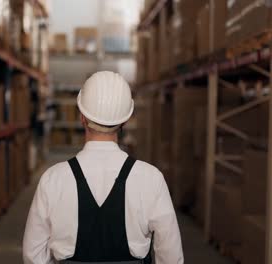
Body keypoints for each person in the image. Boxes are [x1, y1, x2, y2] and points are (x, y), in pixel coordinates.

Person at [23, 71, 184, 264]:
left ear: (82, 116)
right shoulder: (150, 179)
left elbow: (33, 256)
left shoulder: (53, 179)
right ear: (125, 120)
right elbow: (171, 257)